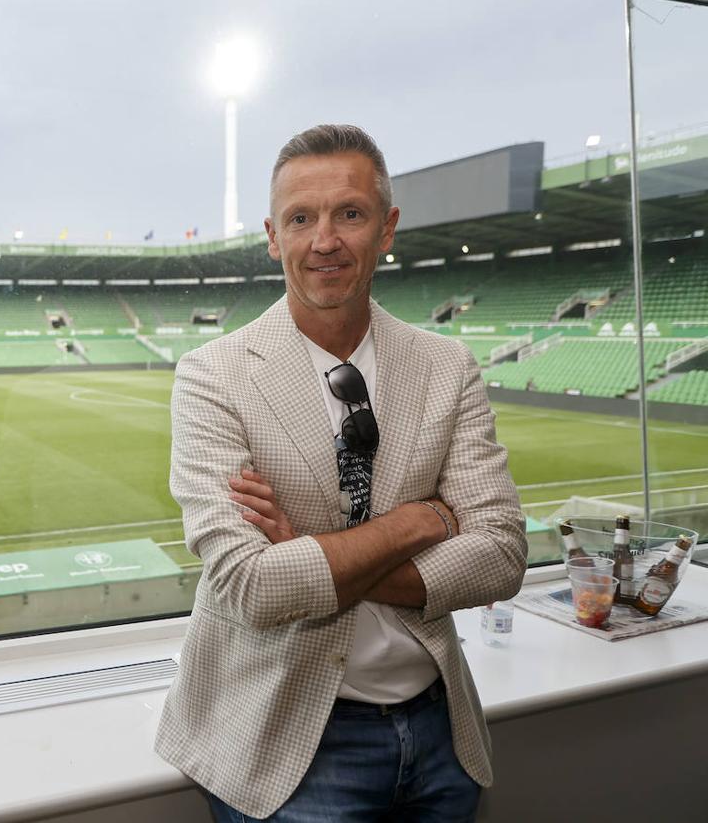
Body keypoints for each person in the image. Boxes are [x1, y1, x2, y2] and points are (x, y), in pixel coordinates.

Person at [154, 124, 527, 822]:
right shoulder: (213, 376)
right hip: (285, 740)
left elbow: (502, 553)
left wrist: (312, 552)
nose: (324, 240)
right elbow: (247, 587)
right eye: (302, 218)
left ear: (386, 228)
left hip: (438, 731)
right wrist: (420, 523)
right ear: (274, 235)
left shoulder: (447, 367)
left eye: (349, 214)